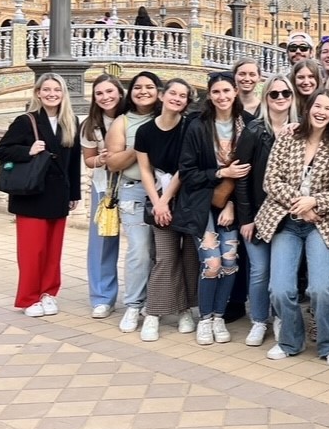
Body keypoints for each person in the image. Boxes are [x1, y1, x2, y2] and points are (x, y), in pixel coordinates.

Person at [256, 88, 329, 364]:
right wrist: (301, 203)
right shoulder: (288, 138)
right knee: (280, 288)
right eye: (317, 106)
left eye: (328, 108)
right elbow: (271, 180)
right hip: (285, 221)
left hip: (320, 224)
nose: (321, 112)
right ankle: (290, 340)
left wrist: (315, 203)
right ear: (308, 109)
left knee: (321, 288)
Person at [0, 73, 81, 317]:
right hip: (31, 195)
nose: (52, 94)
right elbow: (0, 151)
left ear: (64, 94)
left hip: (58, 195)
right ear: (38, 93)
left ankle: (49, 293)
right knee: (32, 252)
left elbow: (73, 163)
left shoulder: (70, 121)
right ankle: (29, 298)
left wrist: (74, 193)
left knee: (54, 251)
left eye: (57, 90)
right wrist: (27, 150)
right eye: (47, 90)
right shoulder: (25, 121)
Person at [176, 72, 254, 346]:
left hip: (232, 205)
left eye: (226, 91)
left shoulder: (249, 125)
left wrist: (232, 202)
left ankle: (219, 316)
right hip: (200, 204)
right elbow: (187, 172)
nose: (222, 97)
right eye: (216, 92)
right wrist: (221, 172)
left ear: (235, 92)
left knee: (230, 263)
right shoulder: (197, 125)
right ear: (209, 95)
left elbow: (251, 172)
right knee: (212, 264)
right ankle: (205, 318)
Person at [236, 74, 298, 347]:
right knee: (260, 270)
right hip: (259, 214)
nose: (281, 98)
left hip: (287, 215)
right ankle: (260, 319)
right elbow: (242, 176)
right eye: (274, 94)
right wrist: (246, 218)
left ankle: (282, 317)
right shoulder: (254, 130)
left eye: (285, 93)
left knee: (283, 273)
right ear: (266, 98)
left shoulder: (301, 131)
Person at [134, 78, 196, 342]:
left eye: (183, 96)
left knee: (191, 257)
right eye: (173, 93)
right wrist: (157, 201)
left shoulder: (191, 127)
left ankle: (184, 309)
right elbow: (145, 169)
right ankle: (154, 312)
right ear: (162, 96)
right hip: (159, 198)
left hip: (189, 198)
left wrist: (166, 198)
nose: (177, 98)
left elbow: (186, 166)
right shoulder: (145, 131)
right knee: (166, 257)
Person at [105, 71, 162, 335]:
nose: (143, 91)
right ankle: (133, 304)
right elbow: (113, 163)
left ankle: (158, 303)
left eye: (149, 86)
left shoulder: (168, 117)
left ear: (159, 91)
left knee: (163, 252)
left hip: (165, 193)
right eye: (137, 87)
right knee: (139, 250)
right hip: (134, 192)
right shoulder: (122, 122)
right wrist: (140, 145)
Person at [80, 73, 124, 319]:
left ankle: (146, 296)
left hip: (134, 186)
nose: (105, 97)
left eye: (110, 92)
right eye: (99, 93)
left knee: (143, 245)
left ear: (119, 92)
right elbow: (88, 160)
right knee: (102, 244)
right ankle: (102, 297)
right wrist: (101, 159)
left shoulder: (132, 117)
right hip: (104, 190)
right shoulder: (90, 125)